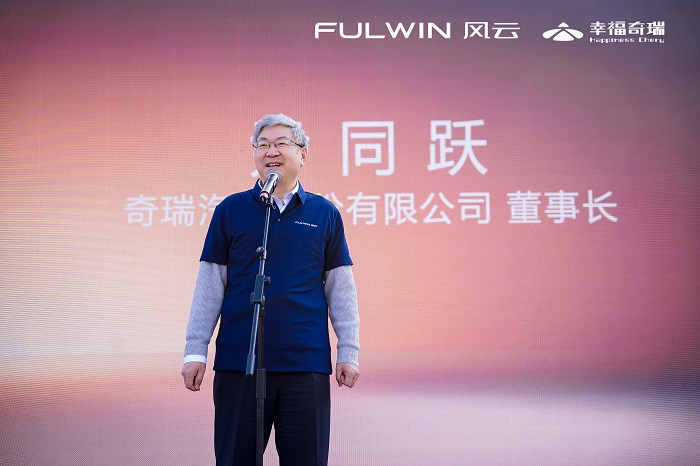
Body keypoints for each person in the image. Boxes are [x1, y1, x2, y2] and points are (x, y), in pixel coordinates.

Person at [181, 113, 360, 466]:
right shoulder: (230, 210)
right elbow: (210, 284)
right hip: (240, 363)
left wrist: (348, 350)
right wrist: (195, 350)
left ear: (303, 153)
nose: (271, 151)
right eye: (262, 144)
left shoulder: (324, 213)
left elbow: (341, 288)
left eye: (281, 143)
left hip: (304, 364)